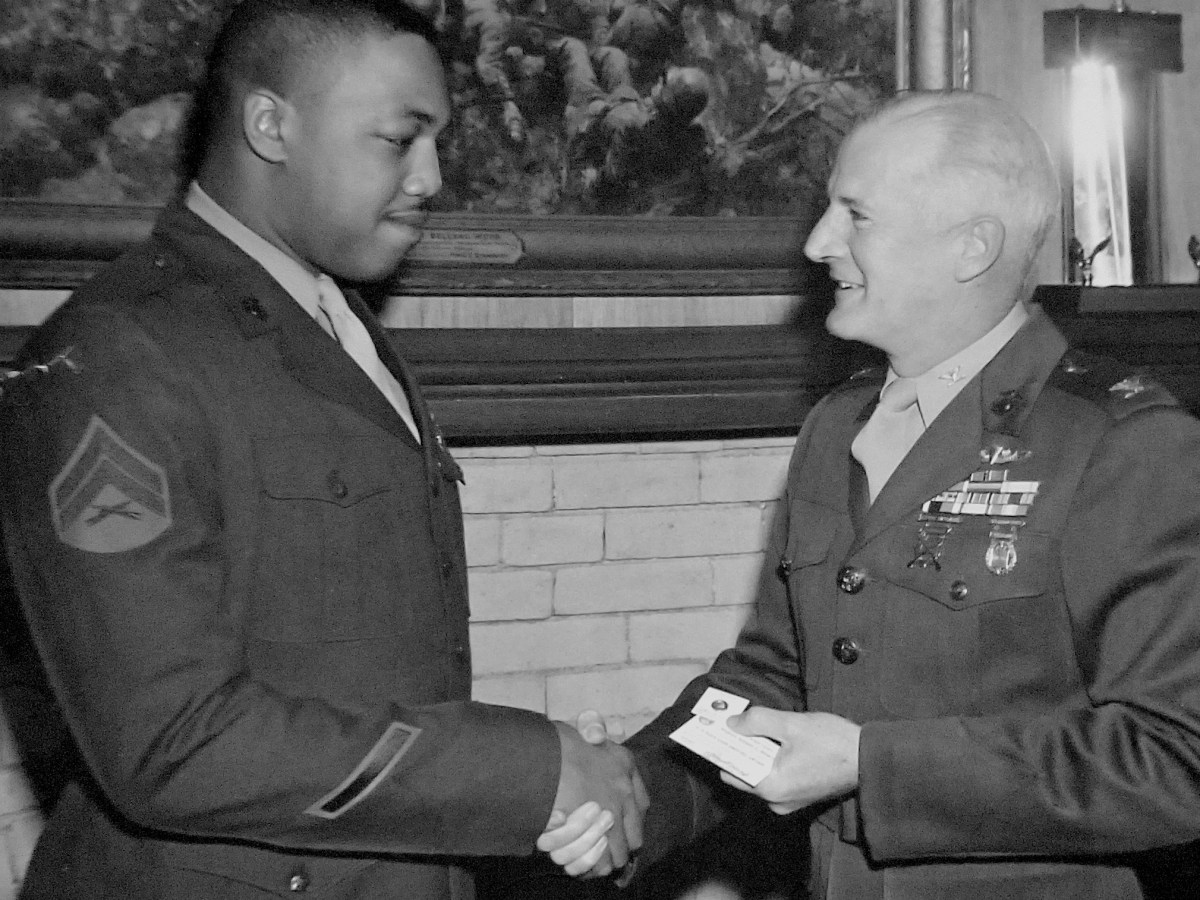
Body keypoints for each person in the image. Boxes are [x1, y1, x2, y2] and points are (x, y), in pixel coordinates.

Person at [0, 1, 645, 897]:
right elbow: (168, 742)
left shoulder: (334, 319)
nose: (430, 177)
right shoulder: (117, 356)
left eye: (439, 142)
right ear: (271, 125)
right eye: (397, 139)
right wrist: (529, 771)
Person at [541, 90, 1200, 899]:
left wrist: (866, 766)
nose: (819, 243)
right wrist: (631, 790)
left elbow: (1174, 758)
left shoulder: (1120, 443)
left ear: (971, 247)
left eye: (856, 215)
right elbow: (774, 678)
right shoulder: (835, 426)